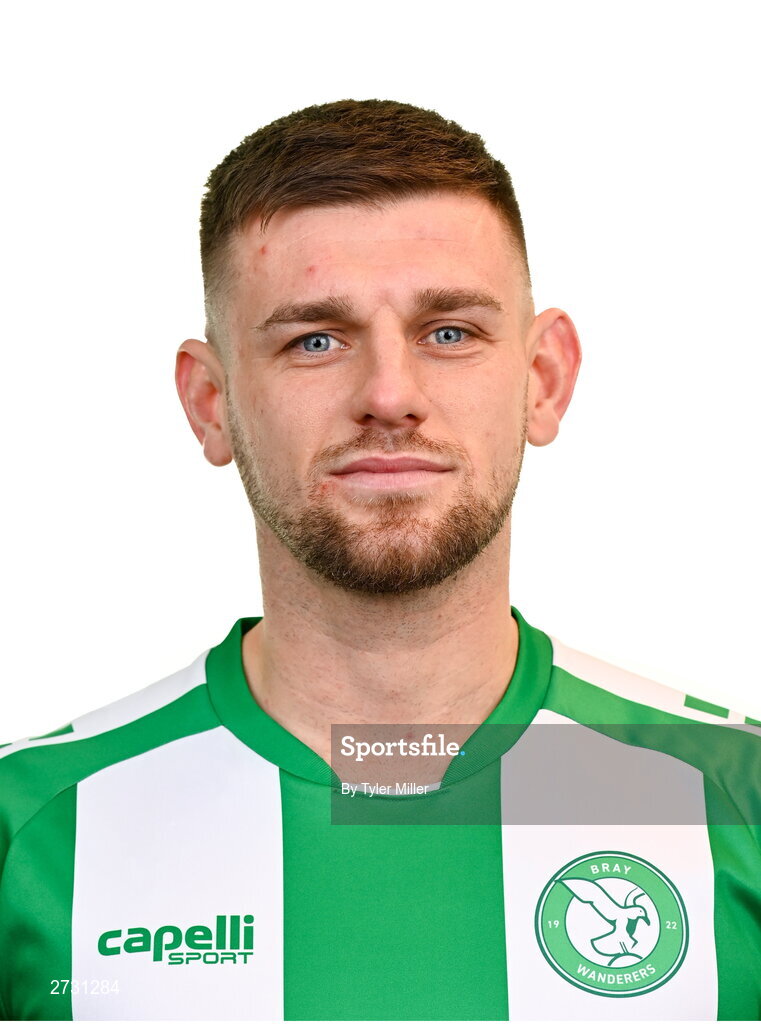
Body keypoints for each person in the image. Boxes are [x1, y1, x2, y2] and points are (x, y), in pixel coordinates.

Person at [1, 98, 759, 1023]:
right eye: (315, 340)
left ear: (543, 380)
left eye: (449, 332)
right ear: (210, 404)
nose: (390, 395)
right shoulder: (28, 826)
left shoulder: (732, 798)